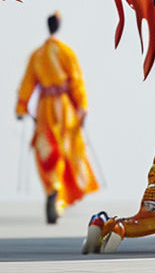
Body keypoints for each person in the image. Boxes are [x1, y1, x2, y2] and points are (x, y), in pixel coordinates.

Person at [17, 12, 98, 223]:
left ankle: (54, 192)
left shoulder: (38, 55)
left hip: (45, 109)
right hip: (63, 108)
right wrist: (82, 107)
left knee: (48, 151)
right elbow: (77, 81)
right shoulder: (65, 52)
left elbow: (27, 84)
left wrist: (21, 108)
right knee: (62, 150)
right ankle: (57, 195)